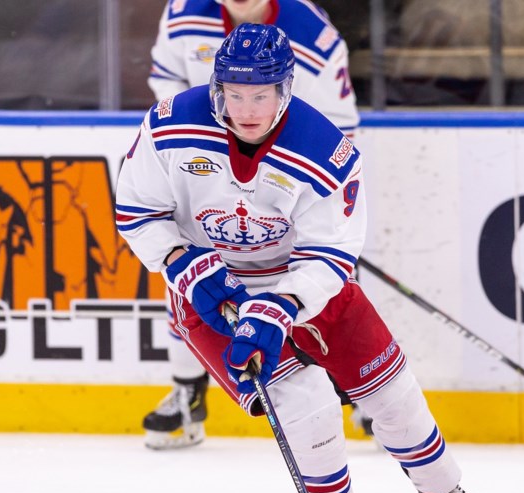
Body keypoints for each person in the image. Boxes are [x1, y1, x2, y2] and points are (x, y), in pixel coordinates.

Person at [116, 22, 515, 493]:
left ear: (284, 89)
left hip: (304, 285)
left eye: (260, 95)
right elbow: (136, 209)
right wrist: (183, 264)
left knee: (392, 391)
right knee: (307, 404)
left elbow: (332, 252)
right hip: (212, 295)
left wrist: (279, 307)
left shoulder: (324, 147)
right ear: (217, 89)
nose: (247, 108)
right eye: (235, 94)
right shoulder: (169, 127)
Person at [143, 0, 364, 450]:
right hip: (202, 171)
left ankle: (358, 386)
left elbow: (338, 132)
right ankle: (189, 392)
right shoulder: (183, 13)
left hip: (288, 182)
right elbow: (165, 84)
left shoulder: (310, 32)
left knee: (327, 281)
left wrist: (315, 208)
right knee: (190, 276)